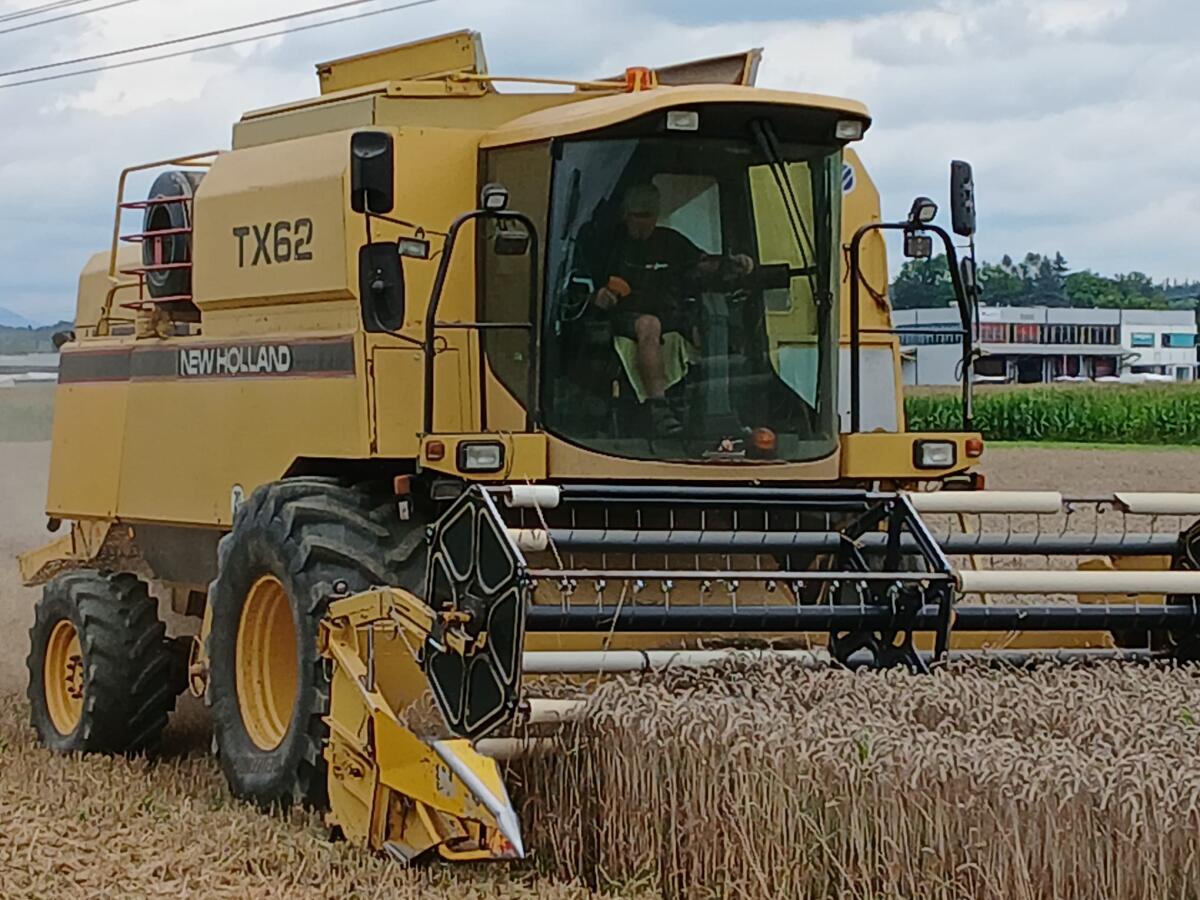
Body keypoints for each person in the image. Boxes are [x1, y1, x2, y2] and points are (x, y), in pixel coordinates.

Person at [592, 183, 755, 434]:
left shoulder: (670, 241)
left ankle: (723, 405)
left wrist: (732, 263)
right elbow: (583, 284)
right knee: (650, 324)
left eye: (650, 217)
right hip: (624, 317)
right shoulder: (610, 245)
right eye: (639, 217)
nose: (644, 223)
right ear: (626, 215)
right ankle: (658, 407)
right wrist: (599, 296)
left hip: (669, 312)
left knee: (710, 325)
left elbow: (704, 264)